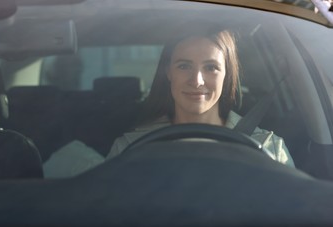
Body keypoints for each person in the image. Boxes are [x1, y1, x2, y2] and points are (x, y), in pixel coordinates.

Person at [107, 26, 294, 167]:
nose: (197, 81)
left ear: (227, 75)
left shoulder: (269, 149)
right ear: (168, 72)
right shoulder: (129, 149)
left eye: (211, 67)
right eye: (184, 66)